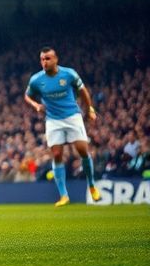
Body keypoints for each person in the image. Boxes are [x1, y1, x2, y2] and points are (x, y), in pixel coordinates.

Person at [24, 46, 101, 207]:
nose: (45, 62)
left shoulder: (69, 74)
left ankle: (92, 185)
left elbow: (83, 91)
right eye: (42, 59)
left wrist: (90, 109)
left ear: (56, 59)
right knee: (57, 154)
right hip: (53, 120)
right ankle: (64, 195)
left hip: (72, 116)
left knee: (82, 150)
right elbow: (27, 95)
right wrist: (36, 105)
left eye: (48, 58)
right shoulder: (36, 80)